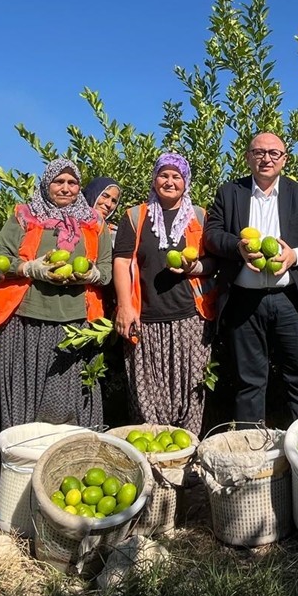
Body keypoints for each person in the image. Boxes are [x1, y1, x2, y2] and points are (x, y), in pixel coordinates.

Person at [203, 132, 298, 425]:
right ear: (248, 157)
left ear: (284, 159)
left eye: (274, 153)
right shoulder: (230, 192)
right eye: (259, 152)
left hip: (290, 300)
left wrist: (294, 256)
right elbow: (212, 235)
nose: (266, 158)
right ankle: (250, 452)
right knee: (249, 382)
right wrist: (238, 247)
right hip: (244, 301)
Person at [0, 158, 113, 448]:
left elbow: (105, 270)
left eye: (72, 182)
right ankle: (19, 463)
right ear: (46, 184)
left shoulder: (94, 225)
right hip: (25, 317)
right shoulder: (24, 216)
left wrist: (90, 273)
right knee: (22, 397)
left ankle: (66, 463)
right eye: (59, 182)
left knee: (67, 400)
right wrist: (30, 268)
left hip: (76, 321)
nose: (66, 188)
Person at [112, 153, 218, 432]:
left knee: (191, 390)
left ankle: (186, 455)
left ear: (186, 182)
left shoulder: (200, 217)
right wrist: (124, 306)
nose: (169, 181)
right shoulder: (135, 217)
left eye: (176, 176)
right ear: (154, 179)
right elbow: (121, 261)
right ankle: (151, 456)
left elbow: (214, 263)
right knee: (146, 392)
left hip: (191, 317)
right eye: (164, 175)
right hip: (144, 317)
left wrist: (193, 268)